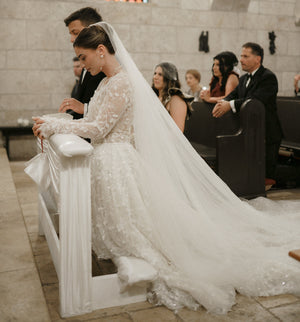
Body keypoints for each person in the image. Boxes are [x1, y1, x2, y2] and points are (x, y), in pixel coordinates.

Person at [32, 24, 300, 315]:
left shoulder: (121, 82)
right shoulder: (107, 82)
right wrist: (64, 120)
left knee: (143, 235)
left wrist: (55, 124)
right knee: (128, 229)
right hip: (108, 159)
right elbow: (98, 117)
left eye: (83, 57)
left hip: (117, 160)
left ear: (100, 50)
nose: (82, 64)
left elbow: (99, 128)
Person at [212, 42, 283, 180]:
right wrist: (224, 102)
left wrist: (230, 104)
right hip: (249, 130)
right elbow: (233, 94)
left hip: (266, 132)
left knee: (264, 175)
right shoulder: (244, 78)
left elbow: (255, 100)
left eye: (245, 56)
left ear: (258, 59)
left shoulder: (268, 77)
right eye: (241, 56)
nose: (241, 60)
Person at [60, 7, 106, 119]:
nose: (71, 39)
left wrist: (85, 108)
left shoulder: (107, 68)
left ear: (93, 30)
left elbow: (107, 112)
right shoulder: (87, 64)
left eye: (75, 33)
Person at [152, 62, 193, 132]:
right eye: (155, 73)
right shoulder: (154, 97)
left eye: (160, 74)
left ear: (168, 78)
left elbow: (178, 132)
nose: (155, 77)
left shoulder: (176, 99)